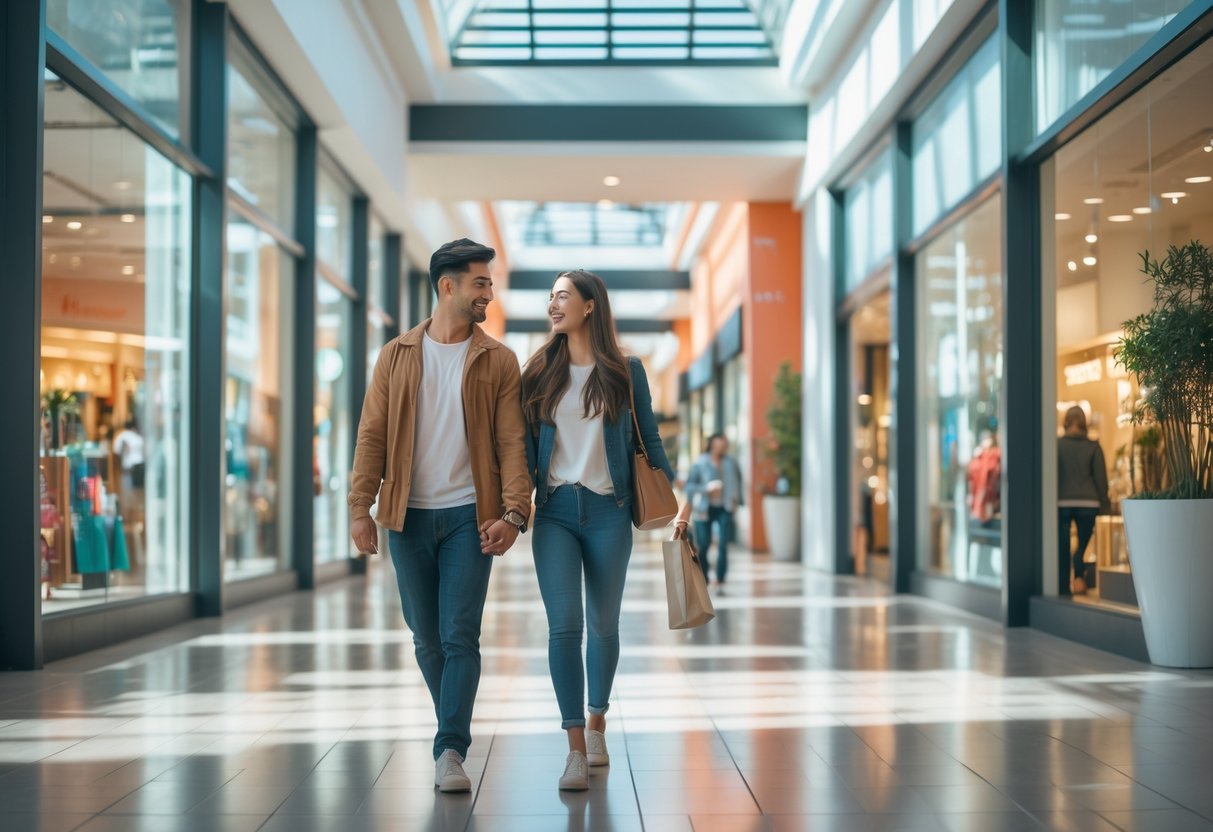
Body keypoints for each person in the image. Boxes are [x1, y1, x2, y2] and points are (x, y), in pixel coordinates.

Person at [348, 238, 532, 793]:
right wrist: (361, 506)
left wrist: (514, 513)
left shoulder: (497, 360)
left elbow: (511, 444)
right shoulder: (396, 355)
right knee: (426, 638)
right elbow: (371, 435)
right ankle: (451, 721)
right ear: (447, 286)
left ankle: (450, 748)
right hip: (406, 516)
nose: (488, 294)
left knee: (459, 635)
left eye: (490, 285)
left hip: (468, 520)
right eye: (480, 283)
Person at [521, 270, 677, 791]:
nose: (552, 304)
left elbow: (649, 440)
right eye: (550, 296)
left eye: (562, 295)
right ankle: (572, 749)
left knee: (604, 625)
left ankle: (596, 724)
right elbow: (522, 448)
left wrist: (675, 502)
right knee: (564, 627)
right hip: (557, 511)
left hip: (611, 511)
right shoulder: (539, 369)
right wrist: (510, 507)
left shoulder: (625, 370)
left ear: (590, 306)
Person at [1058, 406, 1110, 595]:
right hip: (1089, 503)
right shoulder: (1093, 446)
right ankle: (1079, 571)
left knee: (1062, 545)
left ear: (1066, 422)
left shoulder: (1057, 445)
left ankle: (1063, 587)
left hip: (1062, 502)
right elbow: (1101, 479)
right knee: (1082, 543)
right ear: (1084, 423)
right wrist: (1105, 504)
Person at [683, 433, 744, 587]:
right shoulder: (700, 463)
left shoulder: (731, 462)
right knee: (704, 544)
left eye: (724, 446)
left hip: (725, 507)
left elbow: (738, 481)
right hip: (704, 508)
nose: (721, 449)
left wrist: (737, 501)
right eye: (718, 446)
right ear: (711, 445)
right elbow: (689, 486)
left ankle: (721, 577)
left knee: (723, 543)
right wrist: (706, 489)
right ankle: (704, 577)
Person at [112, 416, 146, 494]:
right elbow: (117, 450)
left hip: (133, 467)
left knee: (131, 493)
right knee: (135, 492)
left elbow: (116, 450)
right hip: (133, 467)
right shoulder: (128, 436)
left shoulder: (127, 436)